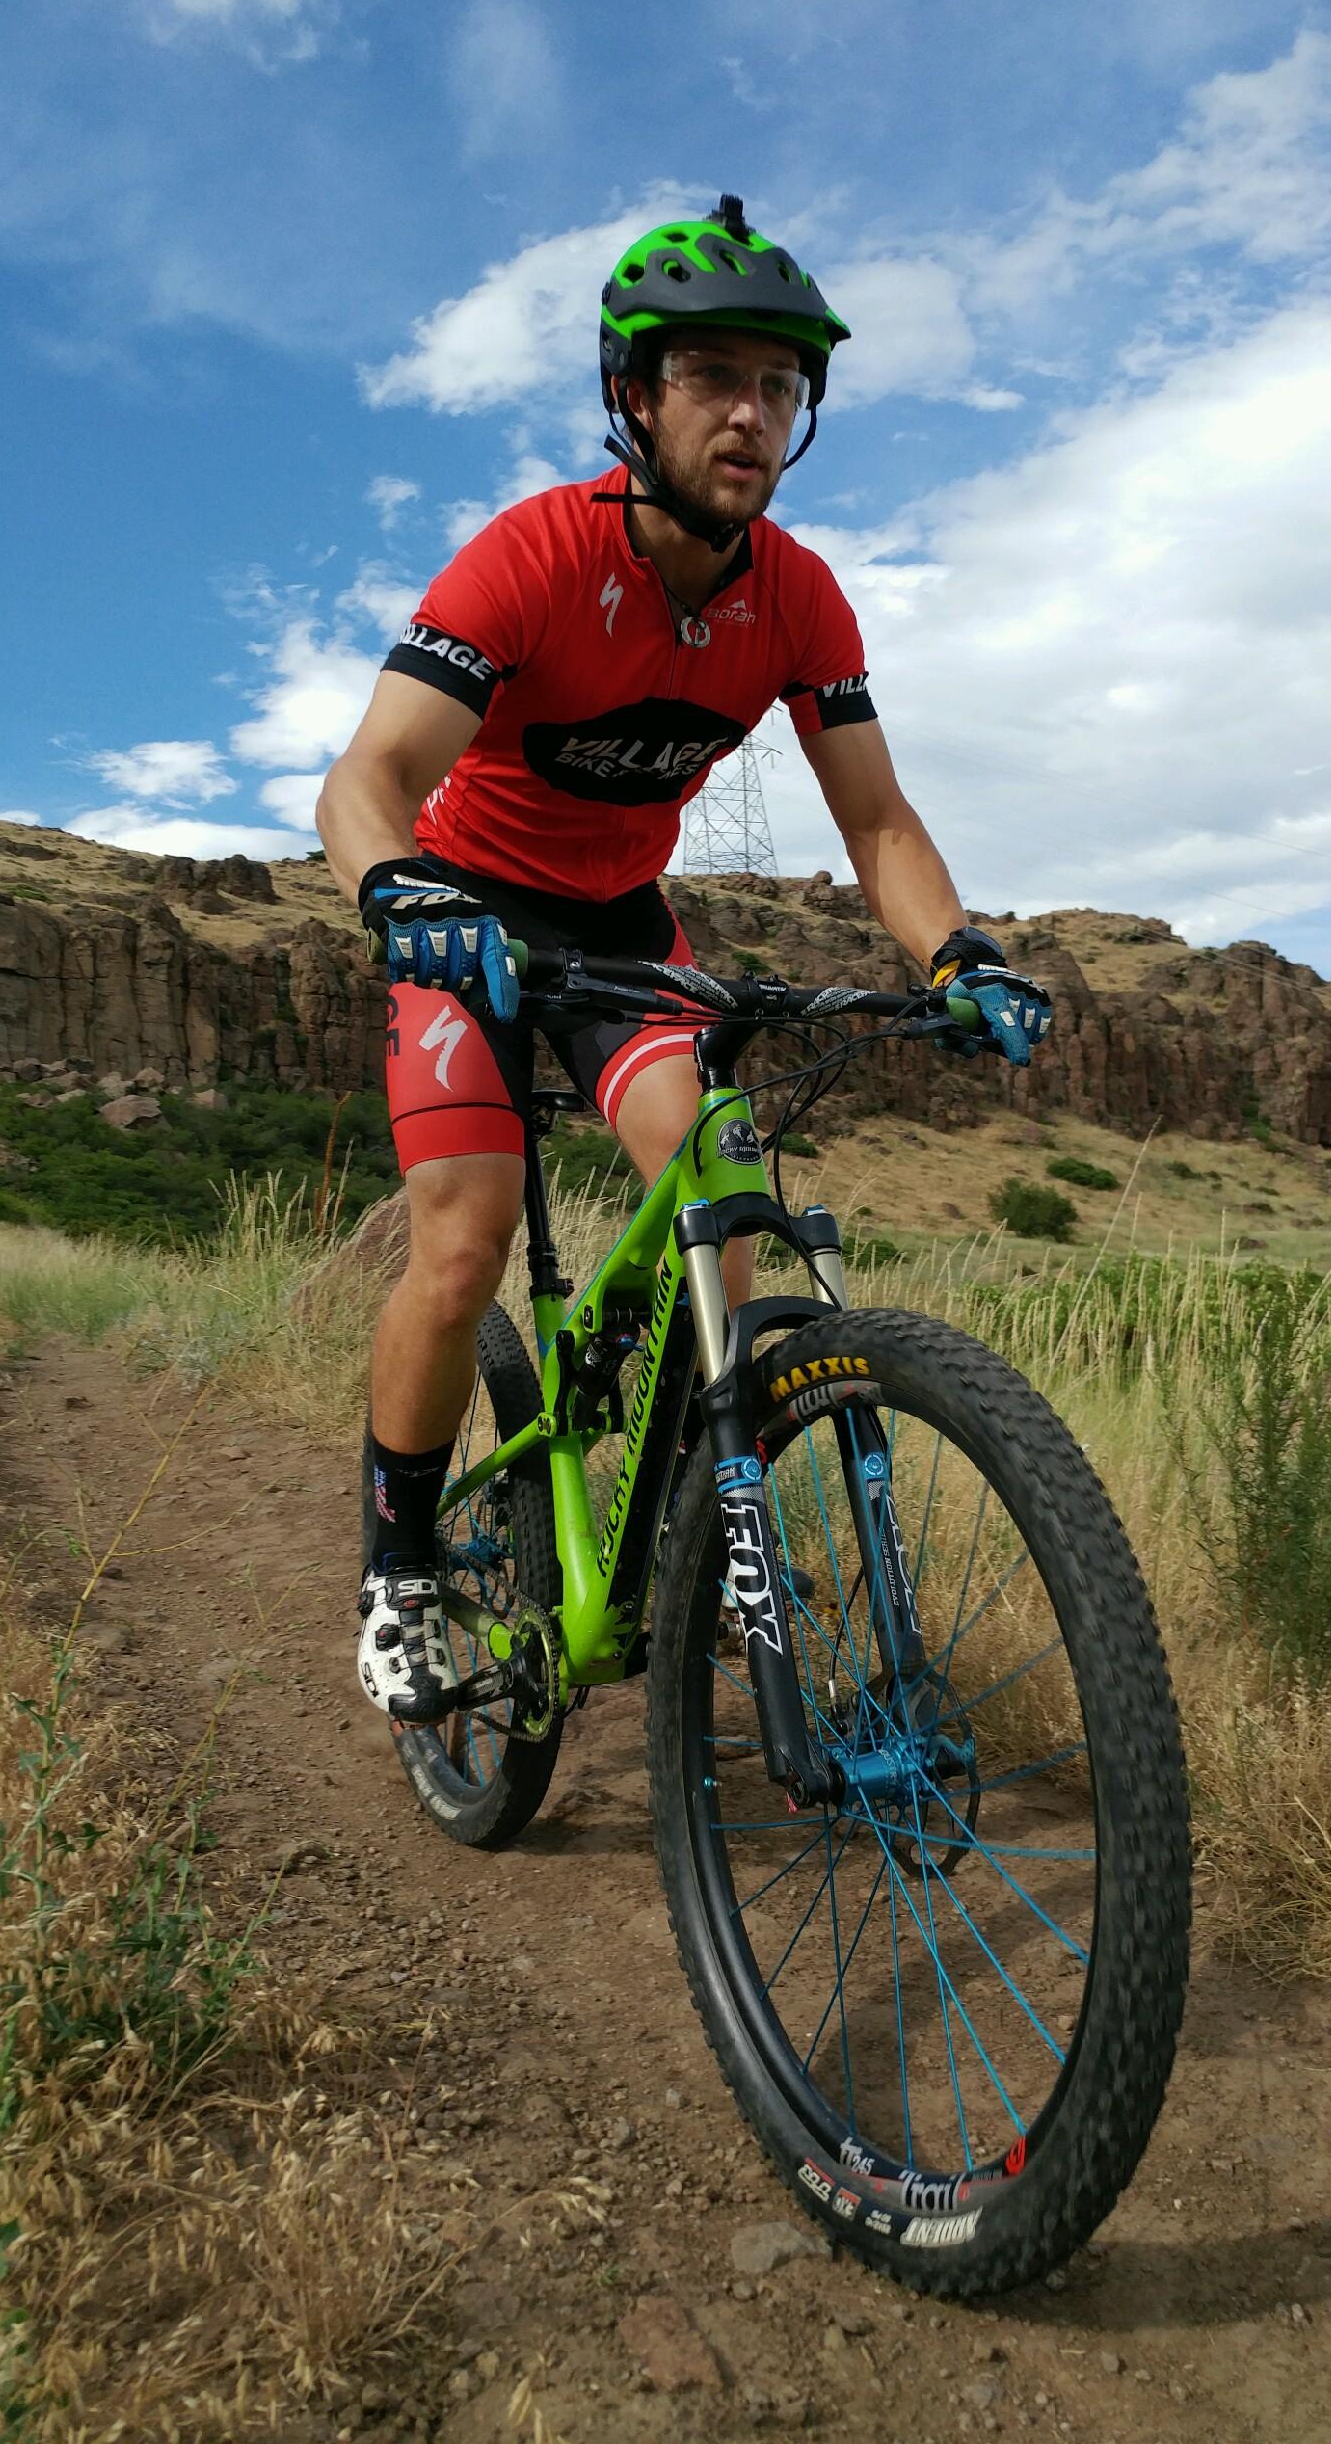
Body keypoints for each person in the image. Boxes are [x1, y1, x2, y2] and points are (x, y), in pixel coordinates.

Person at [316, 194, 1051, 1724]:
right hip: (467, 918)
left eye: (782, 385)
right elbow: (366, 781)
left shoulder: (798, 595)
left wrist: (959, 952)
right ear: (633, 397)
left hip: (627, 933)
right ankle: (399, 1567)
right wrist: (400, 892)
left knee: (717, 1192)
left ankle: (710, 1521)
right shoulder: (528, 561)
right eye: (714, 374)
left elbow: (879, 817)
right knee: (464, 1241)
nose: (753, 411)